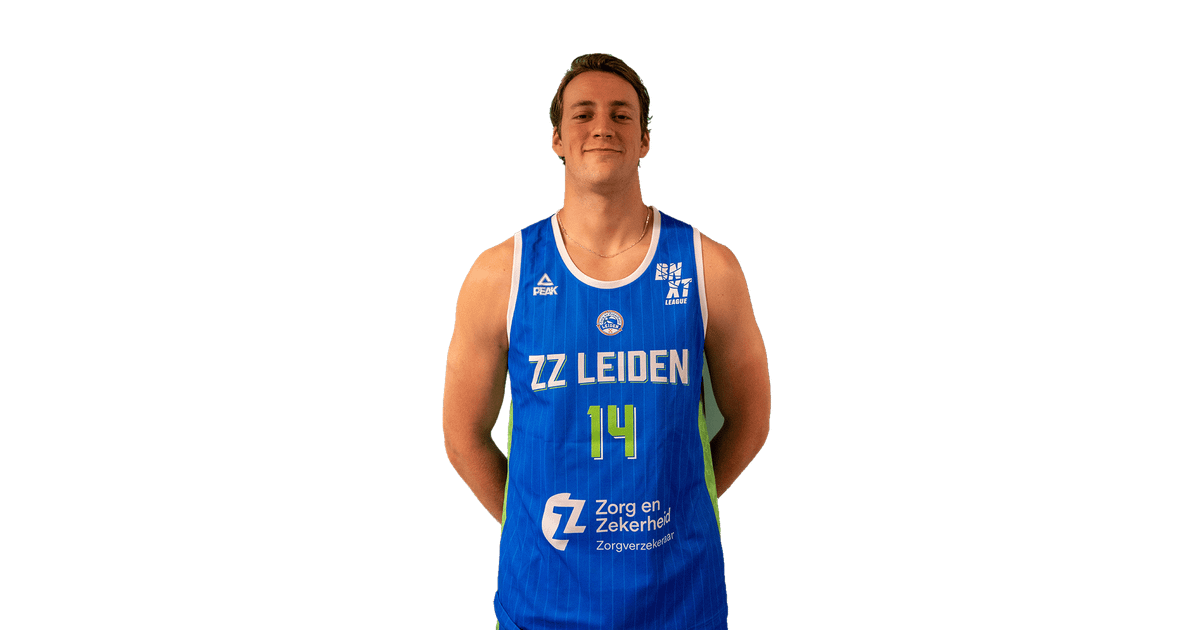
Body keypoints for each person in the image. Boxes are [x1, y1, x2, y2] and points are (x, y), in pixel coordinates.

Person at [443, 53, 770, 630]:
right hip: (541, 604)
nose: (602, 126)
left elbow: (751, 420)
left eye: (621, 114)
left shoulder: (708, 266)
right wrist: (535, 530)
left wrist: (679, 508)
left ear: (644, 140)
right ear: (557, 139)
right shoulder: (502, 273)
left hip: (679, 602)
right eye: (583, 113)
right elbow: (462, 435)